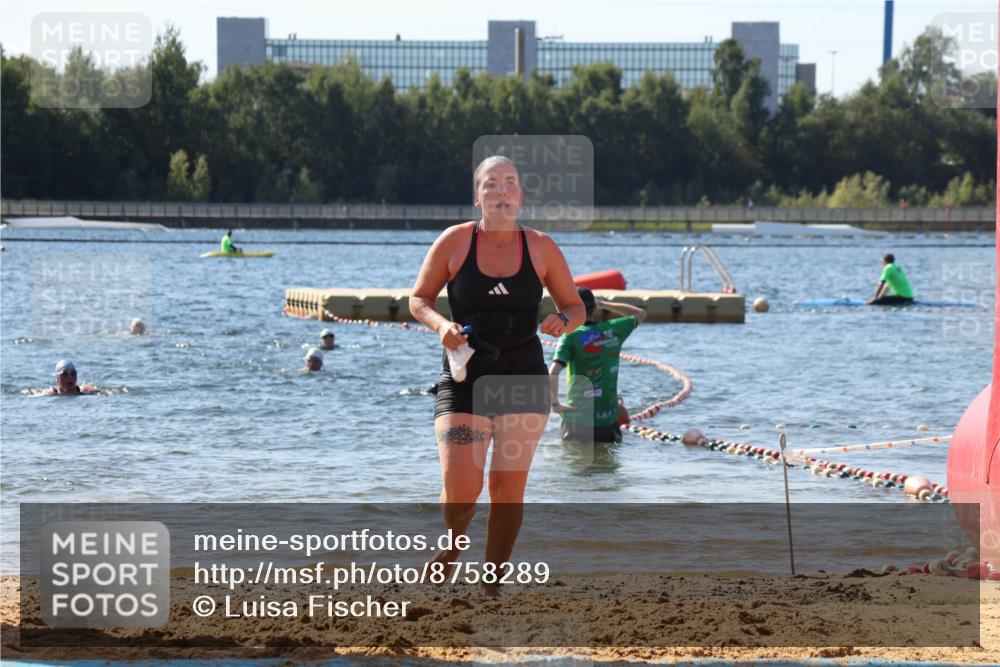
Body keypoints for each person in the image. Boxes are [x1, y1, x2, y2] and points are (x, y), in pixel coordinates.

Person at [410, 155, 584, 596]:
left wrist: (563, 320)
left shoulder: (542, 247)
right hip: (465, 377)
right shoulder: (454, 242)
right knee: (461, 492)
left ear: (521, 197)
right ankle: (453, 544)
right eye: (492, 184)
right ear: (478, 197)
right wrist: (441, 326)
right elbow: (419, 299)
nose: (502, 191)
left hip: (523, 378)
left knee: (507, 487)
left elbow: (576, 305)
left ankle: (491, 584)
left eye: (510, 184)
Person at [550, 287, 647, 444]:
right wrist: (604, 304)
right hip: (607, 421)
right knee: (607, 465)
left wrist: (555, 404)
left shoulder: (570, 336)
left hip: (578, 422)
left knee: (574, 463)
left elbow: (553, 372)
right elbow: (640, 314)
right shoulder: (613, 329)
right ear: (594, 307)